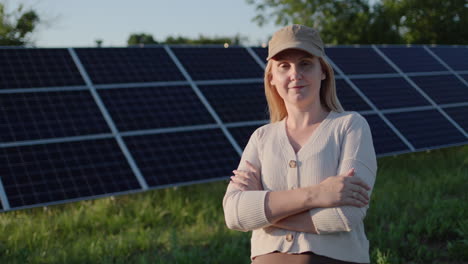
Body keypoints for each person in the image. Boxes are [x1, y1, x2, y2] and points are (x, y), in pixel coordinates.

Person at [222, 24, 377, 264]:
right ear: (272, 77)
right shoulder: (261, 138)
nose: (295, 74)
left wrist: (264, 213)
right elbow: (234, 213)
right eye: (284, 66)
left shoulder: (350, 126)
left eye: (305, 63)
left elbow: (346, 214)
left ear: (323, 71)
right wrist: (317, 194)